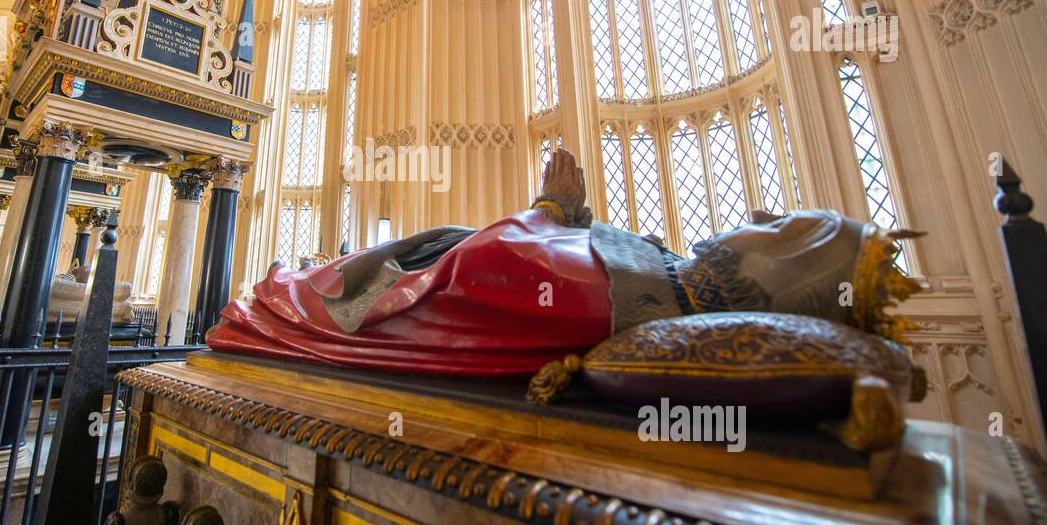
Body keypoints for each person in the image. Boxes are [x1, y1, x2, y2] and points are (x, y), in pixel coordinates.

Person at [207, 150, 920, 377]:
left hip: (384, 305)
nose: (761, 215)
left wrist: (550, 207)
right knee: (444, 233)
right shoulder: (669, 279)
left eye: (783, 225)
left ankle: (281, 298)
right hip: (422, 271)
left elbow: (489, 265)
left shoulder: (638, 302)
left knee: (441, 244)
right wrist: (563, 216)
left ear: (776, 267)